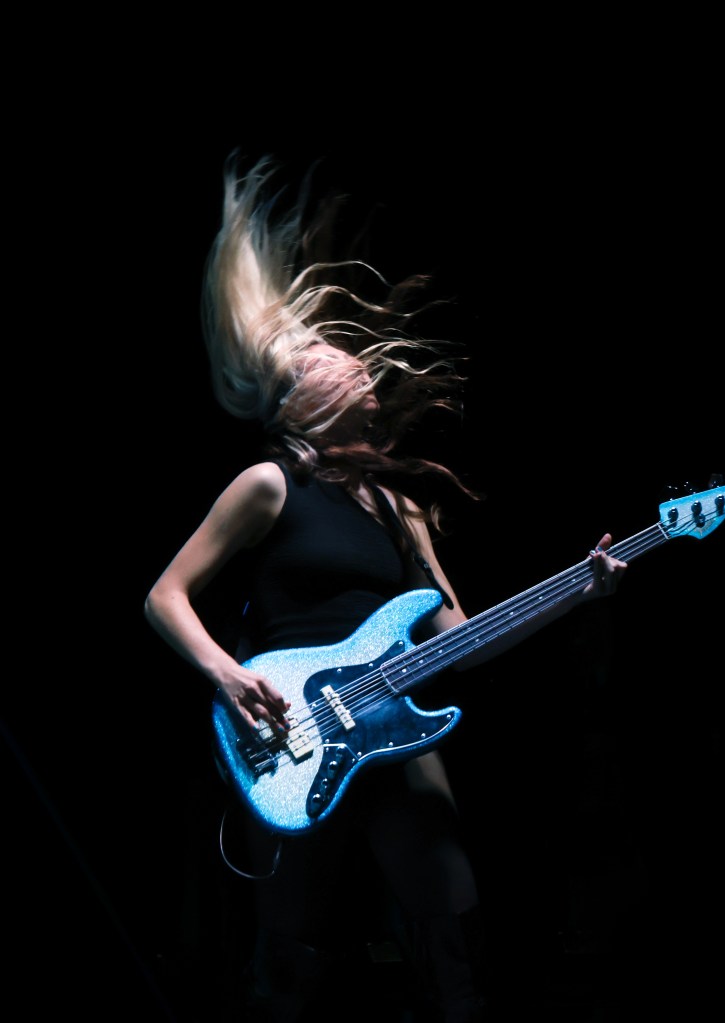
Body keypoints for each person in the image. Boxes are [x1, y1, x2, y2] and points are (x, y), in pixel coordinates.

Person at [144, 150, 627, 1023]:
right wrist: (226, 674)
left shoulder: (402, 510)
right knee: (290, 952)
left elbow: (458, 639)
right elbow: (164, 595)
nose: (355, 360)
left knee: (451, 916)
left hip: (390, 728)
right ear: (297, 398)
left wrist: (576, 593)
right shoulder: (268, 484)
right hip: (284, 730)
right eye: (327, 355)